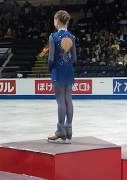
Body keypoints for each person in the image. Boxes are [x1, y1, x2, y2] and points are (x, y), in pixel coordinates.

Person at [47, 10, 77, 144]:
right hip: (69, 70)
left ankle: (60, 130)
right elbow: (75, 58)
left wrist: (50, 70)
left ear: (57, 20)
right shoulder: (72, 37)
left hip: (58, 71)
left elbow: (51, 58)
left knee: (60, 101)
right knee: (68, 99)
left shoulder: (53, 36)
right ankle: (68, 128)